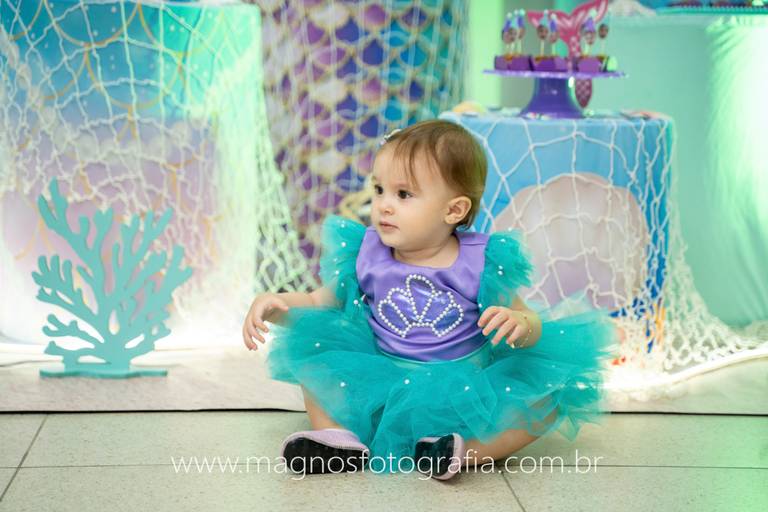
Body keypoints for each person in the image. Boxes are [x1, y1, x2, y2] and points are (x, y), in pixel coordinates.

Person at [242, 119, 615, 480]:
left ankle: (458, 451)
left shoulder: (480, 262)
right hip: (380, 381)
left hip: (462, 390)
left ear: (453, 210)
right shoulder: (367, 251)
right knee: (315, 349)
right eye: (379, 190)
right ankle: (337, 438)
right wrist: (278, 304)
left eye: (403, 194)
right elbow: (320, 301)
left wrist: (520, 325)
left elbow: (528, 318)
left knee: (546, 400)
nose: (384, 205)